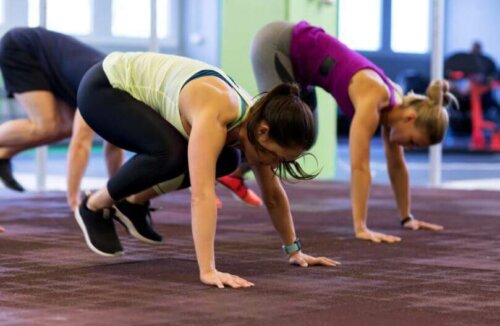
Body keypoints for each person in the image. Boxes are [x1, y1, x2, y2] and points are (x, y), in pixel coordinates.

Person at [75, 51, 340, 289]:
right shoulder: (218, 112)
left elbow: (273, 194)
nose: (272, 165)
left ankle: (133, 203)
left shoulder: (258, 123)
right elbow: (201, 195)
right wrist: (208, 270)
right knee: (170, 153)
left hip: (131, 96)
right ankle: (94, 205)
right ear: (263, 131)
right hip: (104, 89)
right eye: (275, 157)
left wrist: (294, 250)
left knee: (227, 160)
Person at [226, 20, 458, 244]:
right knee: (279, 130)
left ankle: (234, 173)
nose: (407, 147)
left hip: (300, 70)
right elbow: (359, 166)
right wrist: (361, 227)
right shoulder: (375, 96)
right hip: (277, 45)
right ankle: (220, 158)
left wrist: (407, 217)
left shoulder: (395, 107)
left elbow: (397, 167)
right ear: (410, 118)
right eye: (413, 142)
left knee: (305, 138)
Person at [0, 27, 123, 206]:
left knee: (66, 126)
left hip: (49, 62)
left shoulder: (121, 100)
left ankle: (3, 155)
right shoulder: (102, 91)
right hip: (22, 47)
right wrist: (74, 202)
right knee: (45, 126)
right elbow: (80, 145)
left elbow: (115, 145)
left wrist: (119, 196)